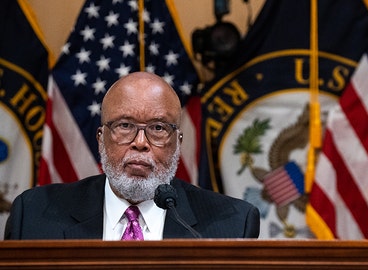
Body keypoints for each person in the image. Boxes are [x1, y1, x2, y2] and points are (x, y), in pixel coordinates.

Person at [5, 72, 260, 240]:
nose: (140, 143)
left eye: (158, 129)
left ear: (178, 142)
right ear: (100, 139)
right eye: (125, 126)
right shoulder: (34, 215)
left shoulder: (233, 225)